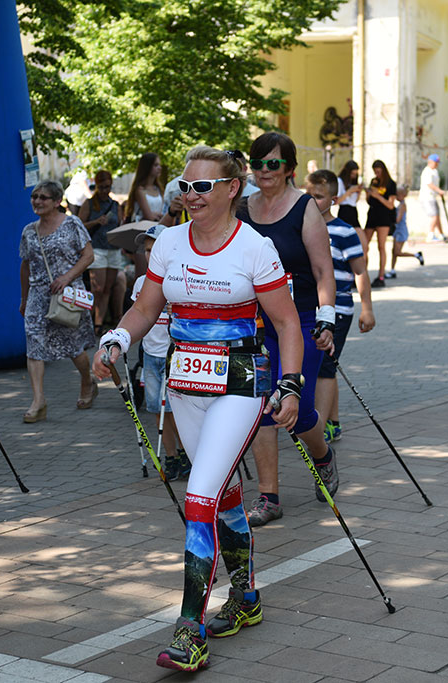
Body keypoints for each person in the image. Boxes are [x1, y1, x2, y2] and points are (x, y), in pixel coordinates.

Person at [92, 145, 303, 672]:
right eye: (184, 188)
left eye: (202, 187)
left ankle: (190, 629)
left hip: (240, 382)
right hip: (186, 383)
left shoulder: (254, 247)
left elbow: (287, 324)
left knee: (200, 497)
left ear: (233, 189)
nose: (190, 196)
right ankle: (246, 597)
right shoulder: (169, 242)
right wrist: (117, 338)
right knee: (226, 495)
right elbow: (147, 307)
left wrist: (292, 384)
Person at [237, 132, 337, 527]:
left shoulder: (304, 208)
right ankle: (269, 497)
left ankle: (323, 455)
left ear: (290, 168)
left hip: (301, 322)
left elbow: (322, 270)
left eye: (273, 164)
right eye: (258, 163)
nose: (264, 171)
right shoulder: (242, 209)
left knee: (299, 408)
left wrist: (327, 317)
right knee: (262, 407)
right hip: (257, 325)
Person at [304, 170, 375, 443]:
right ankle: (331, 420)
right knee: (319, 364)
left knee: (325, 367)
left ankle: (320, 429)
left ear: (333, 199)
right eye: (308, 194)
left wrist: (367, 308)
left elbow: (360, 271)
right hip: (310, 308)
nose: (312, 200)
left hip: (339, 309)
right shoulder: (300, 226)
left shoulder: (344, 231)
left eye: (319, 197)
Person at [20, 180, 97, 422]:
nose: (38, 201)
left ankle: (87, 381)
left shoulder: (72, 223)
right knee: (33, 343)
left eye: (43, 197)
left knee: (73, 346)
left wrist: (67, 277)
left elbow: (88, 256)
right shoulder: (29, 231)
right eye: (35, 196)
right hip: (38, 295)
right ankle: (38, 400)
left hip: (67, 294)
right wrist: (24, 299)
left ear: (56, 202)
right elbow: (25, 264)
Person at [130, 223, 190, 479]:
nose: (150, 254)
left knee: (178, 410)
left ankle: (188, 452)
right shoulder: (142, 283)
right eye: (146, 250)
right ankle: (171, 456)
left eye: (155, 249)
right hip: (152, 355)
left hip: (176, 355)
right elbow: (138, 315)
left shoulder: (180, 280)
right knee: (157, 409)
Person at [78, 170, 123, 334]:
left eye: (108, 187)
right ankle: (89, 321)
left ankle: (99, 323)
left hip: (113, 249)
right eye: (102, 187)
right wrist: (97, 221)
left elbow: (120, 225)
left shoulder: (115, 205)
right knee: (97, 287)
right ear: (96, 186)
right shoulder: (89, 203)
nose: (105, 190)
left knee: (107, 289)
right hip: (97, 249)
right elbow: (79, 226)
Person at [364, 160, 397, 288]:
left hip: (384, 218)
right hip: (372, 216)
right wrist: (368, 195)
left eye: (378, 171)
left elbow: (390, 204)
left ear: (383, 170)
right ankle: (363, 275)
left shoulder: (391, 184)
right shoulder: (374, 181)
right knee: (364, 246)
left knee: (381, 247)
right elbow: (369, 201)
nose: (376, 174)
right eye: (374, 171)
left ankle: (381, 275)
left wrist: (378, 196)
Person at [388, 184, 424, 278]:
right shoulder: (399, 205)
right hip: (397, 230)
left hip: (401, 230)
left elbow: (398, 219)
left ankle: (416, 255)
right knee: (394, 252)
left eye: (398, 195)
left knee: (397, 252)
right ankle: (392, 270)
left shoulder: (402, 206)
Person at [123, 152, 164, 223]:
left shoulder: (158, 188)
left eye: (159, 165)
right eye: (156, 165)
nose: (159, 168)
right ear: (147, 167)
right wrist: (158, 216)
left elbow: (163, 212)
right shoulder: (139, 190)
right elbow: (148, 216)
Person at [419, 154, 446, 241]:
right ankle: (431, 234)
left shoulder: (434, 171)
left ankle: (441, 234)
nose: (437, 164)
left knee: (437, 215)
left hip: (433, 197)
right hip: (427, 197)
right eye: (435, 163)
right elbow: (430, 184)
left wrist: (438, 192)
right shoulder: (427, 171)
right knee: (434, 215)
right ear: (430, 162)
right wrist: (439, 191)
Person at [335, 160, 363, 229]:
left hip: (354, 211)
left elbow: (354, 201)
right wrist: (349, 191)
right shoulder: (340, 181)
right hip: (345, 211)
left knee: (359, 238)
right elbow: (337, 201)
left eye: (355, 174)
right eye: (352, 173)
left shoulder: (353, 182)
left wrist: (359, 192)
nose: (353, 176)